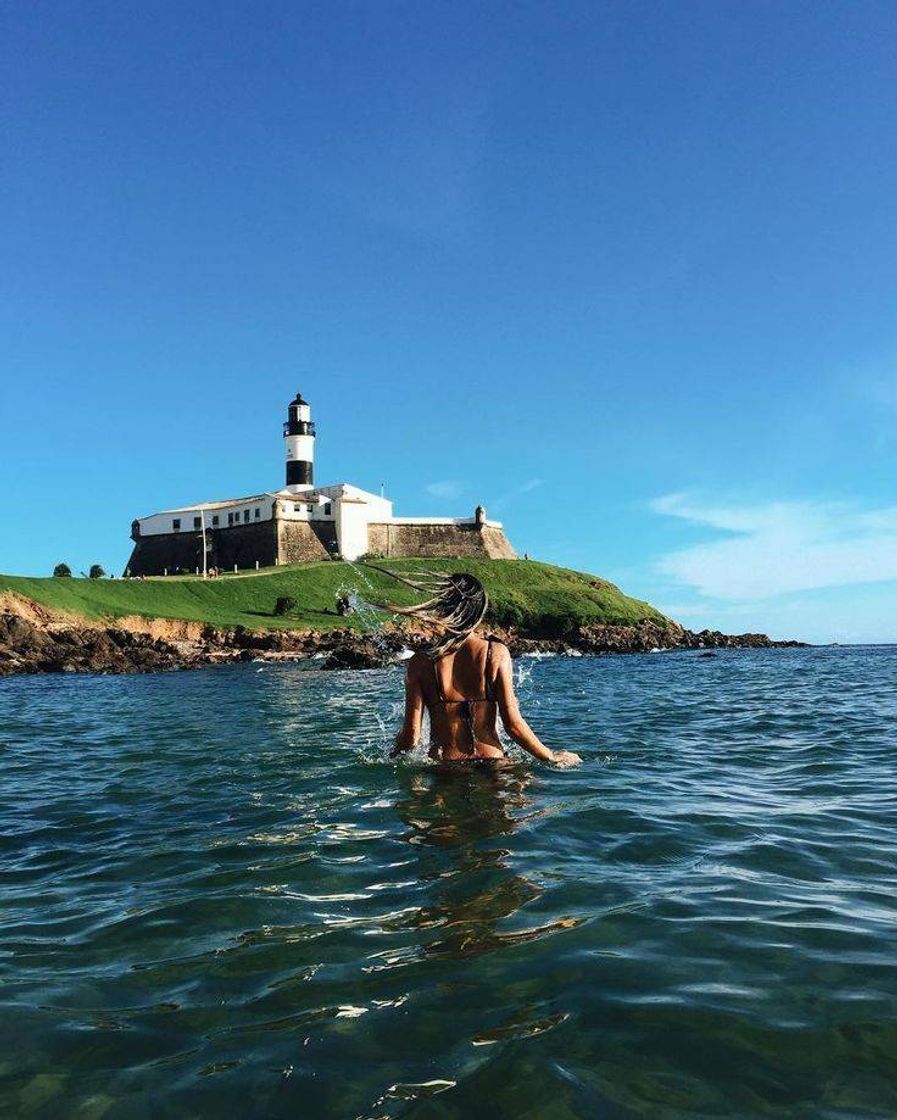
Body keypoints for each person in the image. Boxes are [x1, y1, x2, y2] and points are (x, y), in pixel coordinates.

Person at [368, 566, 582, 767]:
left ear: (444, 609)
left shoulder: (420, 662)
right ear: (478, 611)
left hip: (446, 767)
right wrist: (551, 757)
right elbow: (514, 725)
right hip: (493, 763)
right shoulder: (495, 654)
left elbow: (411, 736)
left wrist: (387, 759)